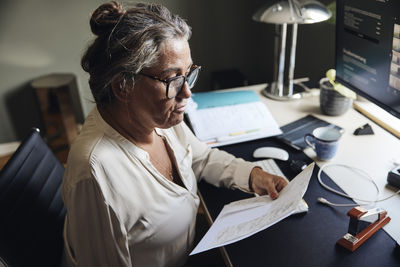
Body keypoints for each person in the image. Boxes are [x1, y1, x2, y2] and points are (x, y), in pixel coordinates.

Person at [62, 2, 288, 266]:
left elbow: (199, 158)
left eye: (188, 74)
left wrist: (252, 175)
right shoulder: (95, 175)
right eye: (172, 79)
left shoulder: (157, 117)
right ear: (123, 86)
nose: (187, 93)